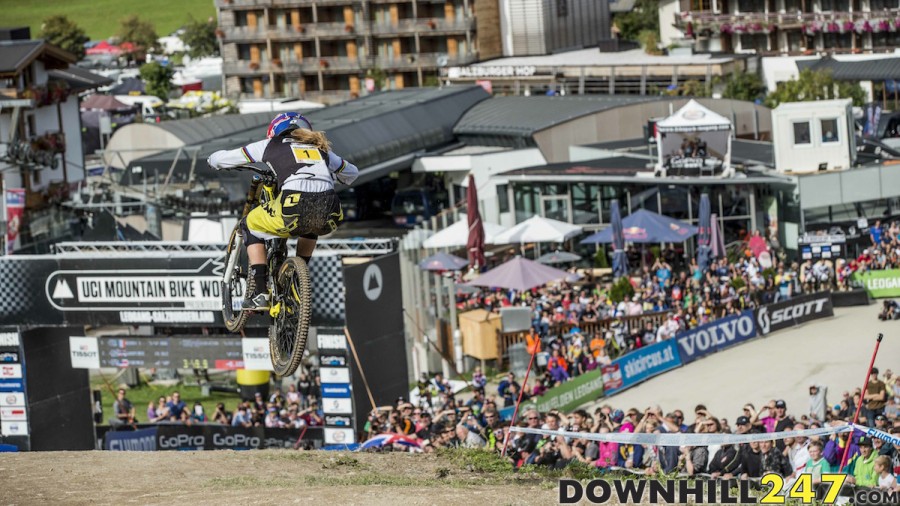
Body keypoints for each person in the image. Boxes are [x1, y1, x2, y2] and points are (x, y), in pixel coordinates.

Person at [207, 112, 359, 309]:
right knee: (311, 221)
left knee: (249, 225)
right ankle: (298, 274)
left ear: (274, 131)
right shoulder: (320, 149)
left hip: (293, 202)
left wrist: (212, 160)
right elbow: (352, 173)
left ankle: (260, 292)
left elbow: (224, 159)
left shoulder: (269, 145)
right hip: (331, 209)